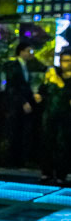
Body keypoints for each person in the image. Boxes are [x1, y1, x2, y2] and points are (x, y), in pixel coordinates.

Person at [3, 42, 39, 167]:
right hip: (15, 104)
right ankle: (11, 160)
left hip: (20, 103)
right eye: (29, 51)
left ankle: (18, 160)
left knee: (20, 131)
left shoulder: (25, 66)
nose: (31, 54)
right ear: (21, 51)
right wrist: (23, 101)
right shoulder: (14, 66)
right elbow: (13, 86)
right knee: (14, 131)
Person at [39, 49, 71, 183]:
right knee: (47, 143)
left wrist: (58, 82)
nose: (65, 64)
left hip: (66, 117)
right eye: (63, 61)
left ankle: (62, 174)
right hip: (50, 115)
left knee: (63, 144)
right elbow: (43, 90)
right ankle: (47, 172)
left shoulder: (62, 79)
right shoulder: (54, 74)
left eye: (68, 61)